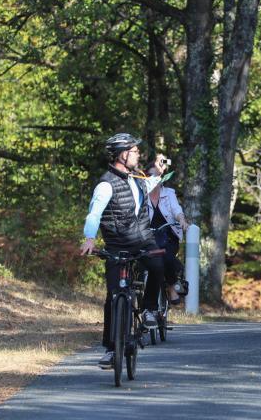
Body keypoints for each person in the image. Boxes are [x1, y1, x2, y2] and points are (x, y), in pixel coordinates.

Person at [79, 133, 169, 369]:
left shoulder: (137, 179)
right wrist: (89, 238)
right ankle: (111, 349)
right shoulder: (106, 184)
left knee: (158, 266)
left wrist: (158, 173)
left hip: (143, 240)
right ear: (122, 154)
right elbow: (94, 213)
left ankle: (149, 309)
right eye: (134, 151)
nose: (138, 154)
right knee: (112, 297)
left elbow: (149, 183)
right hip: (117, 244)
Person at [145, 161, 189, 305]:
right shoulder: (141, 195)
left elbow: (177, 210)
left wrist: (181, 220)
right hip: (147, 236)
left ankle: (171, 286)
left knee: (165, 254)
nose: (154, 179)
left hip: (167, 236)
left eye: (157, 175)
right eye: (151, 175)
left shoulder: (169, 193)